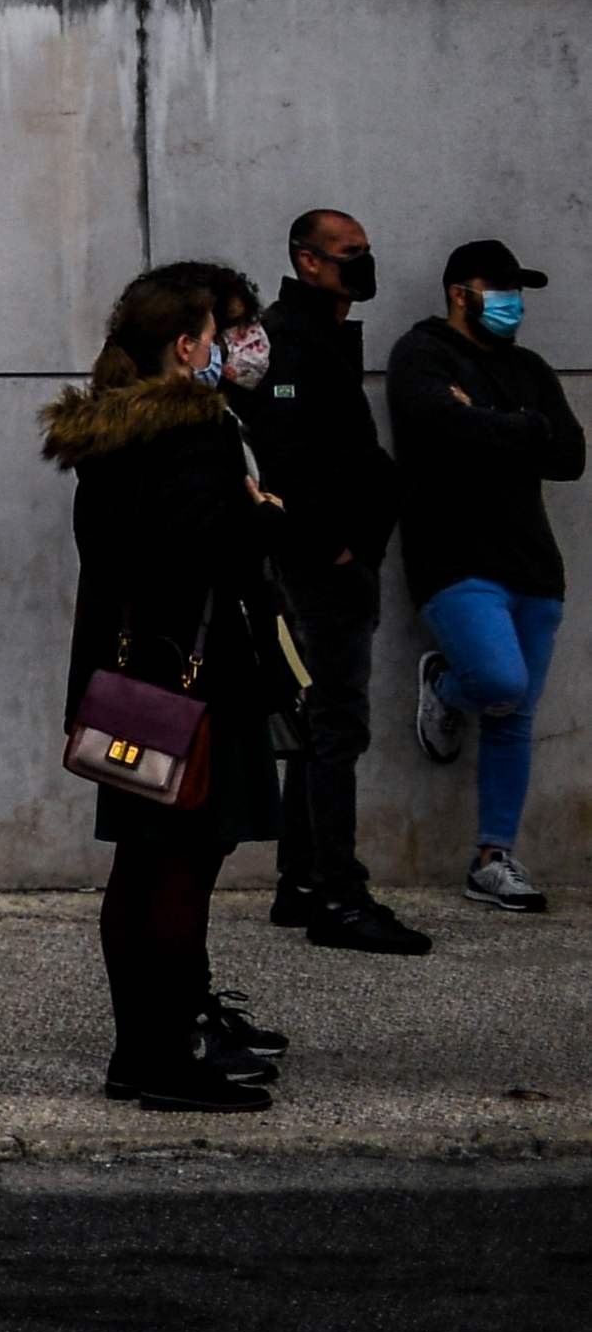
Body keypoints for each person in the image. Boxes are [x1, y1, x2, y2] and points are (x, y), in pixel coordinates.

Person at [49, 261, 296, 1110]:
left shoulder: (110, 433)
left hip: (128, 685)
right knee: (180, 871)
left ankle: (140, 1053)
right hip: (195, 686)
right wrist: (258, 514)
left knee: (142, 866)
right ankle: (162, 1061)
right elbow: (197, 550)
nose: (233, 348)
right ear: (184, 344)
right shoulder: (192, 432)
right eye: (218, 334)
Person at [248, 208, 427, 952]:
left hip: (333, 563)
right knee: (333, 728)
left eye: (365, 250)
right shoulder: (287, 340)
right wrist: (335, 546)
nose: (363, 262)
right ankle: (336, 895)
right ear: (307, 261)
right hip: (317, 570)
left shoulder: (321, 334)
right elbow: (284, 459)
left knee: (324, 723)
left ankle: (300, 883)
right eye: (348, 253)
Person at [395, 236, 581, 915]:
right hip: (454, 558)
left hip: (533, 564)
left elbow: (568, 455)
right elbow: (433, 423)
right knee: (498, 683)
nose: (511, 303)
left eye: (516, 291)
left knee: (514, 714)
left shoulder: (528, 367)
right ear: (458, 292)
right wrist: (518, 430)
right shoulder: (420, 353)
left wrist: (488, 421)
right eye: (498, 289)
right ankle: (444, 682)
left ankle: (490, 857)